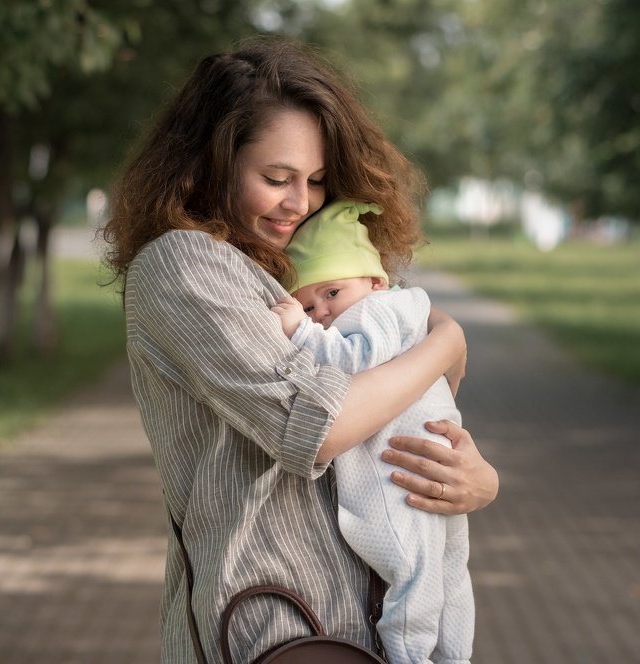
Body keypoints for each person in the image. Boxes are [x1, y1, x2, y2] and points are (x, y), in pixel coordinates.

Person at [103, 36, 498, 664]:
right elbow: (316, 426)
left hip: (367, 622)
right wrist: (446, 335)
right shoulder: (185, 265)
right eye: (275, 178)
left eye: (314, 180)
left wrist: (470, 481)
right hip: (278, 627)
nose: (299, 203)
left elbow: (408, 394)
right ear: (209, 163)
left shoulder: (295, 263)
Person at [272, 199, 473, 664]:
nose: (321, 311)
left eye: (333, 293)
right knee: (449, 572)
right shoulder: (401, 311)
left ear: (375, 281)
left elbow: (353, 362)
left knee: (411, 570)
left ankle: (410, 655)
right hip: (432, 460)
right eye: (308, 301)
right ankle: (454, 655)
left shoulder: (379, 313)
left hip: (405, 471)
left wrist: (298, 330)